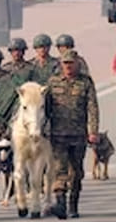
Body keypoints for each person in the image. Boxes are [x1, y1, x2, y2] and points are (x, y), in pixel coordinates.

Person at [46, 50, 100, 219]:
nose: (68, 67)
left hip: (78, 135)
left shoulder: (85, 83)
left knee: (76, 172)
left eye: (71, 63)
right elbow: (45, 109)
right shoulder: (53, 83)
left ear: (77, 64)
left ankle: (73, 205)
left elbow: (92, 108)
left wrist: (92, 131)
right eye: (65, 63)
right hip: (58, 135)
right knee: (59, 170)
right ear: (61, 65)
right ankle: (60, 204)